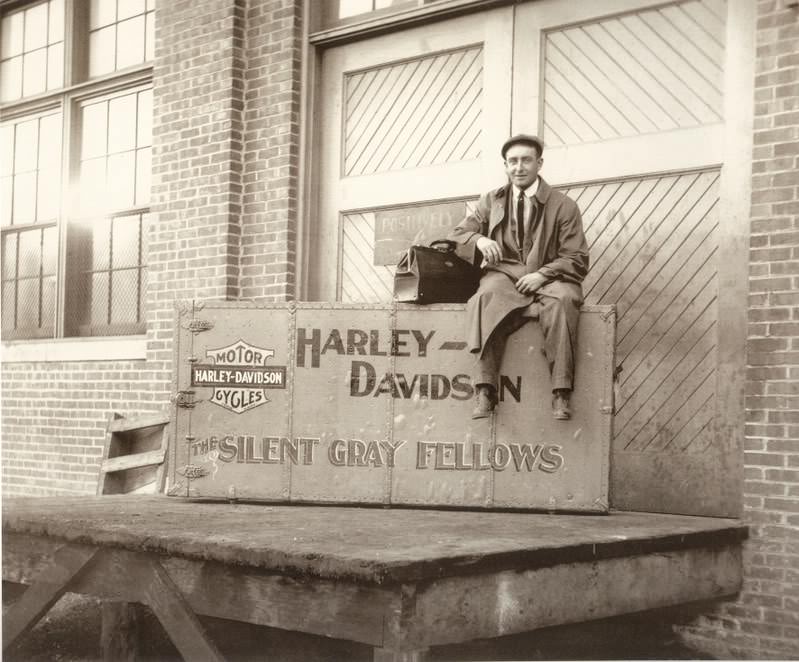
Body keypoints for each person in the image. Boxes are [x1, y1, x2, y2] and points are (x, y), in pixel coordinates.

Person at [448, 134, 589, 420]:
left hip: (551, 276)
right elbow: (458, 233)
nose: (519, 167)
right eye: (512, 161)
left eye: (526, 160)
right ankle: (485, 388)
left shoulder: (564, 205)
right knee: (485, 297)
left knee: (563, 301)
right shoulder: (492, 200)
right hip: (506, 273)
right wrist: (479, 240)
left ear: (539, 163)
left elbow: (575, 257)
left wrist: (541, 275)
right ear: (505, 165)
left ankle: (561, 392)